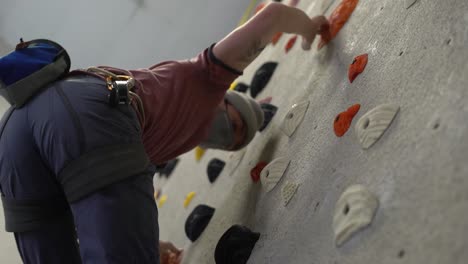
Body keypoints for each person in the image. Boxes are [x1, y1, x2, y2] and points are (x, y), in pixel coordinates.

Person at [0, 2, 329, 264]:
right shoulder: (205, 77)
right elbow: (271, 16)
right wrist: (308, 28)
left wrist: (149, 243)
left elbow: (86, 214)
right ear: (227, 98)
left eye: (235, 141)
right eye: (238, 120)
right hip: (91, 107)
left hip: (14, 132)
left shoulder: (157, 146)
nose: (233, 133)